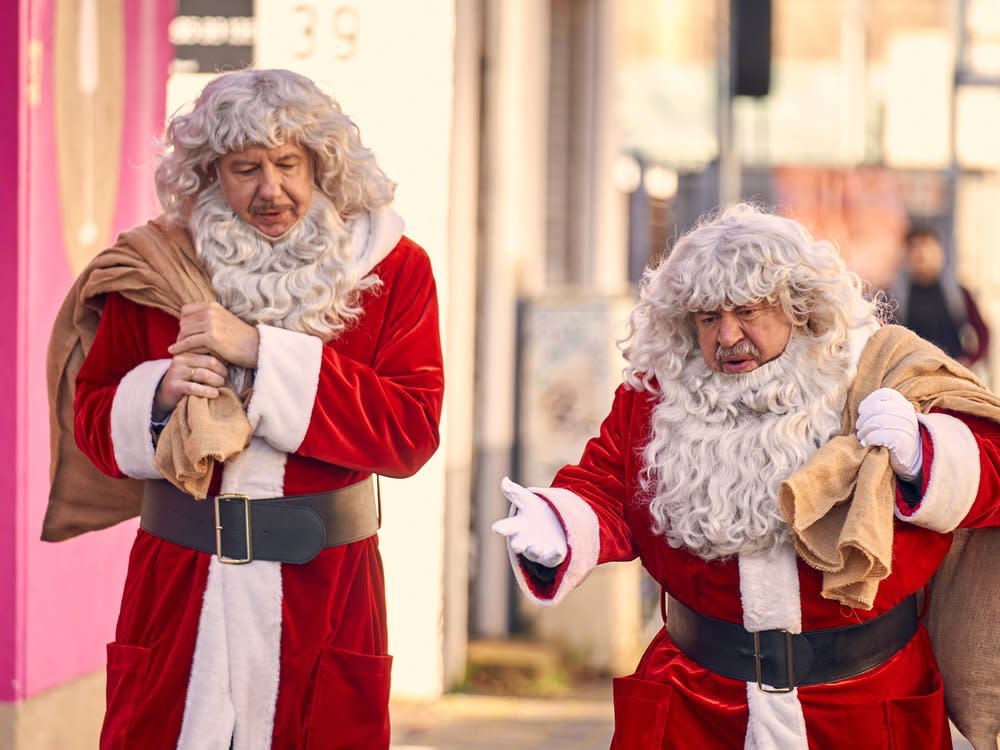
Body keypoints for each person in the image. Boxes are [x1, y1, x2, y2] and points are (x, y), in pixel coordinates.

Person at [492, 203, 1000, 749]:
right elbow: (607, 484)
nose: (727, 337)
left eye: (747, 312)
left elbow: (991, 468)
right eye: (708, 318)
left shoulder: (879, 370)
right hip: (698, 707)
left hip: (863, 706)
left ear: (799, 307)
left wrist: (924, 457)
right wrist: (562, 525)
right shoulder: (657, 395)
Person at [44, 68, 444, 749]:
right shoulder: (156, 266)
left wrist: (260, 354)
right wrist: (160, 394)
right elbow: (93, 417)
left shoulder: (396, 269)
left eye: (288, 163)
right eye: (245, 168)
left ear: (321, 161)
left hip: (327, 596)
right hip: (177, 591)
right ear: (208, 176)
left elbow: (409, 432)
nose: (271, 190)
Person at [888, 225, 990, 368]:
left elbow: (982, 330)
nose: (921, 254)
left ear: (940, 253)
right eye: (914, 248)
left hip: (954, 370)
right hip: (912, 373)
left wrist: (970, 360)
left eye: (927, 247)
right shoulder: (894, 297)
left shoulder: (957, 293)